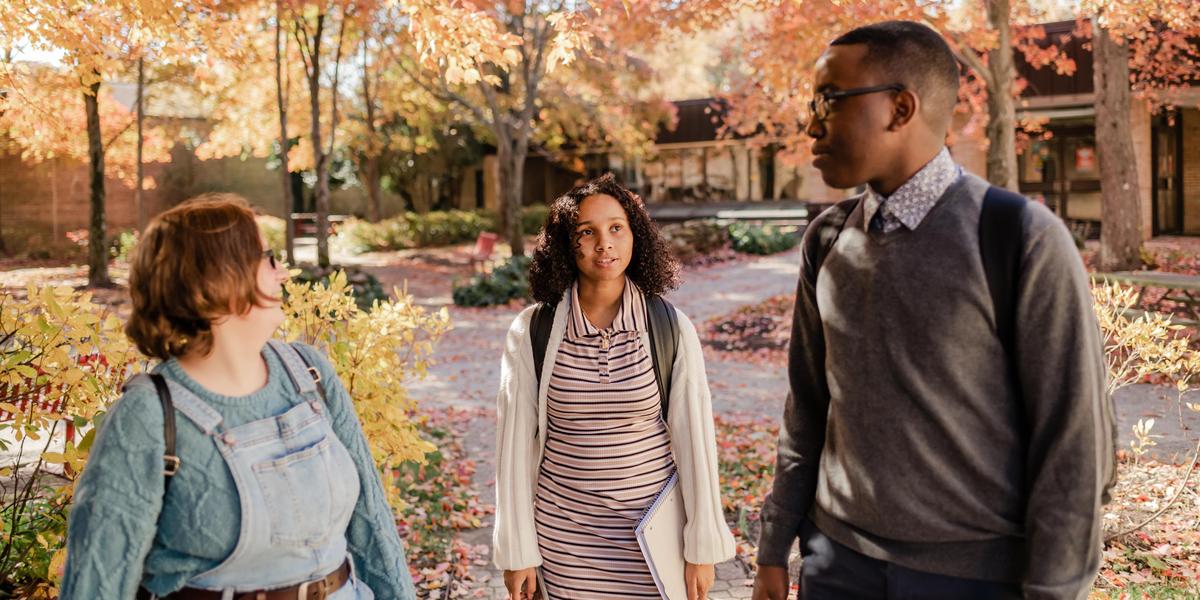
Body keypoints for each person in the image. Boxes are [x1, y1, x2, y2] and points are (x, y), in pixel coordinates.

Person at [751, 21, 1114, 600]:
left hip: (974, 579)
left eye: (828, 101)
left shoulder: (1017, 236)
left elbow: (1074, 442)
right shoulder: (827, 240)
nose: (811, 124)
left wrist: (1053, 590)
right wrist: (775, 546)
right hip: (836, 567)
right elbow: (808, 407)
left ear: (900, 107)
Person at [61, 194, 416, 599]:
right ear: (218, 280)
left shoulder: (309, 373)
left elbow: (371, 522)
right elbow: (96, 584)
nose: (282, 272)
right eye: (268, 258)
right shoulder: (147, 417)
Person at [492, 173, 735, 600]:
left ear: (634, 236)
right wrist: (518, 552)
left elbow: (696, 442)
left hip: (654, 540)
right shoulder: (533, 330)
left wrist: (702, 546)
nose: (604, 243)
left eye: (616, 228)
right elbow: (511, 448)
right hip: (565, 540)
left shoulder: (670, 327)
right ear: (567, 244)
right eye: (587, 232)